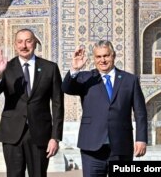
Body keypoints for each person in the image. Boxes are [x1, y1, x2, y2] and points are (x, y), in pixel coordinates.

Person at [62, 40, 147, 177]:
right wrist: (75, 69)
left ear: (113, 55)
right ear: (94, 59)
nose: (103, 60)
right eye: (98, 57)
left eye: (106, 56)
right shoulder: (86, 78)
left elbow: (140, 112)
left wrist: (141, 139)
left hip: (121, 146)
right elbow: (67, 88)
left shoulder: (129, 80)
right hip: (92, 148)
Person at [0, 29, 64, 177]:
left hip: (40, 133)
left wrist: (55, 137)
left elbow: (58, 105)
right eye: (20, 42)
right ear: (15, 45)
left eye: (28, 41)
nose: (24, 46)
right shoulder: (7, 67)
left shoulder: (50, 68)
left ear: (35, 43)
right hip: (12, 133)